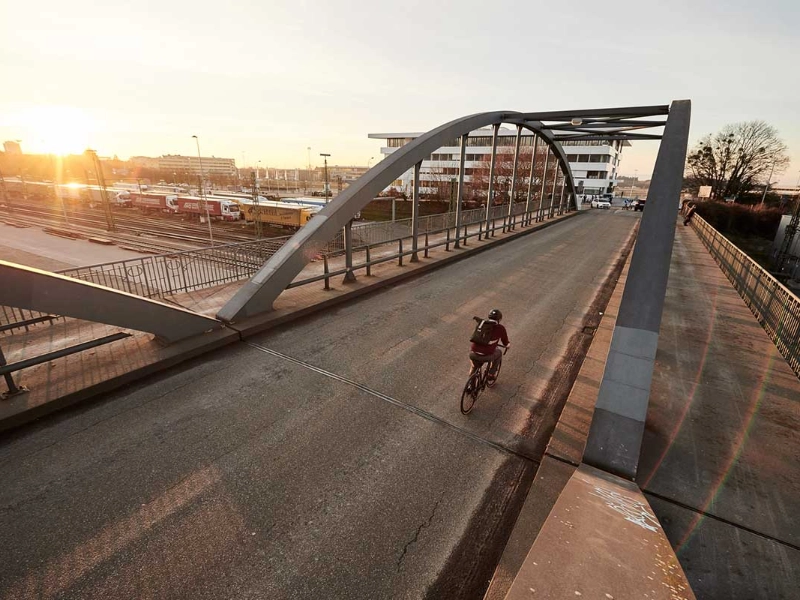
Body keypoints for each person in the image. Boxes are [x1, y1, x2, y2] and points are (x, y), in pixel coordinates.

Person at [469, 309, 510, 380]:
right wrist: (508, 345)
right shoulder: (500, 328)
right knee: (499, 353)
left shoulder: (481, 324)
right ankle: (491, 374)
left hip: (473, 353)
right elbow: (505, 342)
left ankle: (470, 387)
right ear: (499, 319)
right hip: (486, 356)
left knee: (474, 367)